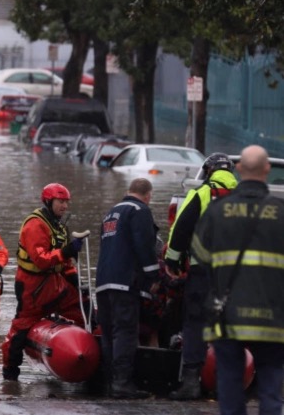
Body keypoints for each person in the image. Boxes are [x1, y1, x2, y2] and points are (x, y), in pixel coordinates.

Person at [192, 145, 284, 415]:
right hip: (273, 316)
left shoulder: (218, 211)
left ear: (240, 169)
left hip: (227, 314)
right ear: (267, 170)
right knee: (271, 385)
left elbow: (199, 256)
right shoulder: (281, 212)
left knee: (230, 384)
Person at [165, 152, 238, 400]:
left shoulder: (202, 193)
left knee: (196, 324)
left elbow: (181, 229)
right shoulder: (246, 198)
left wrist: (172, 261)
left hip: (204, 272)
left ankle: (191, 383)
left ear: (208, 171)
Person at [1, 183, 87, 381]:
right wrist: (66, 252)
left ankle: (91, 355)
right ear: (49, 201)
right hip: (33, 289)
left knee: (86, 307)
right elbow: (41, 260)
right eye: (60, 201)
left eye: (66, 202)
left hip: (55, 285)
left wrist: (75, 279)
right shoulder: (35, 224)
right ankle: (10, 372)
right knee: (21, 329)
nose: (64, 206)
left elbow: (63, 263)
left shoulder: (59, 227)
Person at [95, 178, 159, 399]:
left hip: (103, 282)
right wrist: (153, 275)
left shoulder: (110, 213)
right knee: (125, 332)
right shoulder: (139, 211)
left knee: (109, 333)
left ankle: (110, 382)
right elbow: (144, 245)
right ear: (148, 195)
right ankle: (122, 383)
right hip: (124, 282)